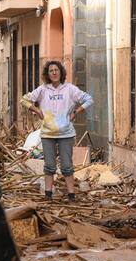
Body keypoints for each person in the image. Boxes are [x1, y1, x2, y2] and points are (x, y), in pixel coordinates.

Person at [23, 61, 93, 201]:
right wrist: (36, 109)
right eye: (51, 70)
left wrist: (76, 111)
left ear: (61, 72)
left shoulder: (70, 89)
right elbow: (24, 100)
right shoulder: (43, 90)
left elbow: (88, 99)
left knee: (67, 166)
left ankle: (71, 195)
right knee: (49, 165)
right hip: (47, 134)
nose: (54, 72)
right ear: (47, 74)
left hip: (66, 133)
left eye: (56, 70)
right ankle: (48, 194)